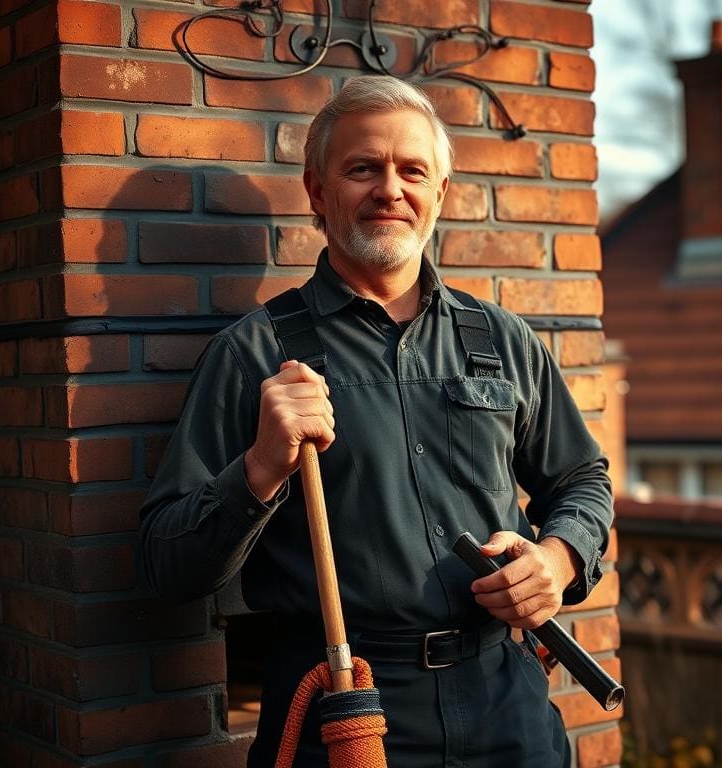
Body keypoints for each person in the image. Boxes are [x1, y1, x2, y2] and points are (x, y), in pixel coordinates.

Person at [140, 75, 613, 767]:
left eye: (412, 170)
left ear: (440, 195)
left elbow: (583, 479)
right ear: (319, 194)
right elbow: (165, 565)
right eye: (363, 168)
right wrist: (261, 469)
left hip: (506, 706)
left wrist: (558, 556)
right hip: (344, 710)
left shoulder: (502, 340)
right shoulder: (255, 355)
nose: (390, 189)